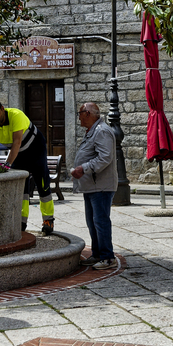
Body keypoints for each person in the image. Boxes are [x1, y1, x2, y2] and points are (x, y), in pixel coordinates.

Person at [0, 98, 55, 235]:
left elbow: (17, 142)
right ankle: (21, 221)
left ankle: (48, 220)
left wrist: (7, 165)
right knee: (20, 187)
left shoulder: (15, 115)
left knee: (42, 183)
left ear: (2, 109)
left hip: (34, 148)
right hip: (18, 152)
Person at [70, 102, 117, 270]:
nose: (79, 117)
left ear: (88, 113)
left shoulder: (102, 131)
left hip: (101, 186)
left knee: (100, 221)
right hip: (92, 185)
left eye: (80, 113)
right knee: (93, 222)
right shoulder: (93, 131)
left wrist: (84, 168)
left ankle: (107, 257)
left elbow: (105, 158)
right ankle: (97, 254)